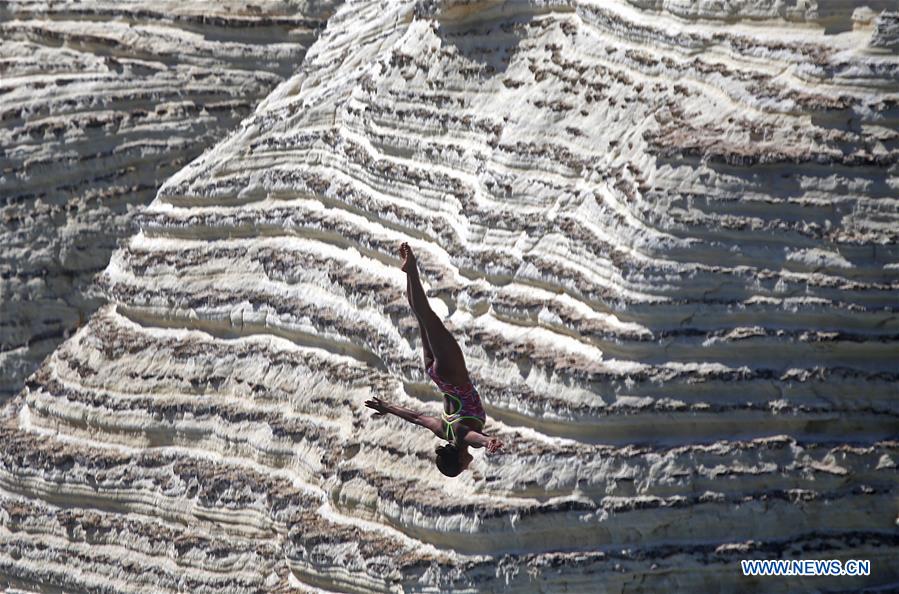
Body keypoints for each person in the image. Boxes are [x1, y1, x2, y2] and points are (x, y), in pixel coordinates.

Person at [366, 242, 503, 477]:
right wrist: (386, 407)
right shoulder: (443, 432)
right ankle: (410, 272)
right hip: (436, 375)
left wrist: (489, 441)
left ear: (460, 459)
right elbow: (417, 418)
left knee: (427, 315)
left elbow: (477, 438)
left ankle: (411, 270)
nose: (468, 465)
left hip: (452, 375)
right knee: (422, 317)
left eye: (463, 466)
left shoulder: (461, 436)